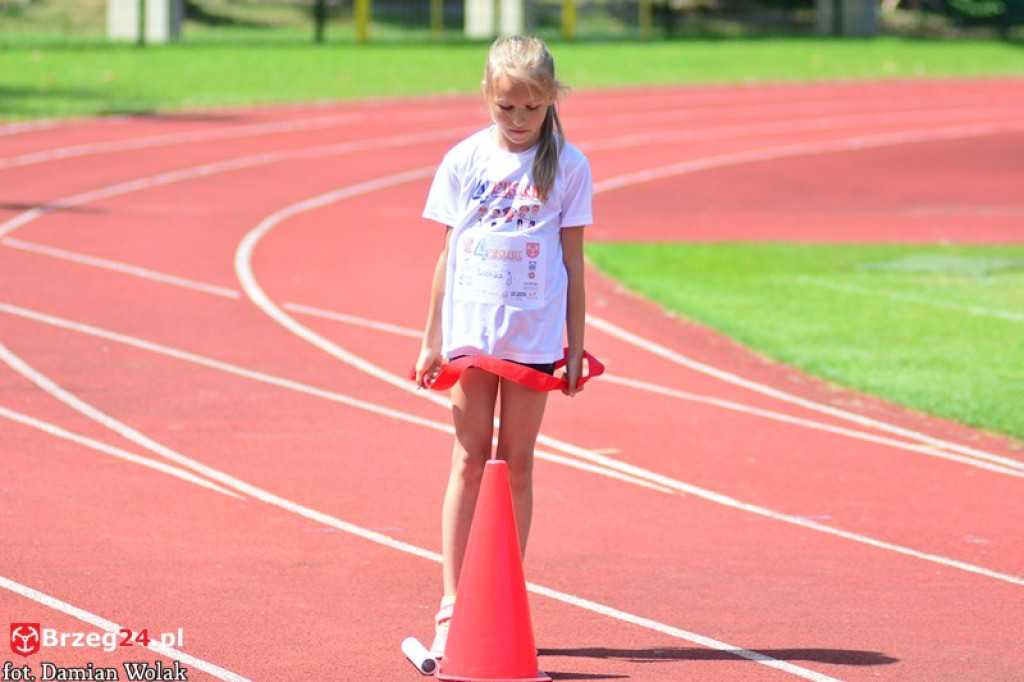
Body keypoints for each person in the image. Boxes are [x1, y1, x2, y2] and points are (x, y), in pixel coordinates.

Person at [413, 35, 593, 659]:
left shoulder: (569, 165)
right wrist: (431, 338)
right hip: (470, 332)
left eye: (531, 109)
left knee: (516, 462)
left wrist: (576, 345)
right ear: (486, 99)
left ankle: (500, 596)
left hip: (534, 337)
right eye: (506, 108)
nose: (518, 122)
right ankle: (452, 607)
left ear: (551, 102)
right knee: (468, 458)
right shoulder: (464, 160)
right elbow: (448, 254)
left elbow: (573, 261)